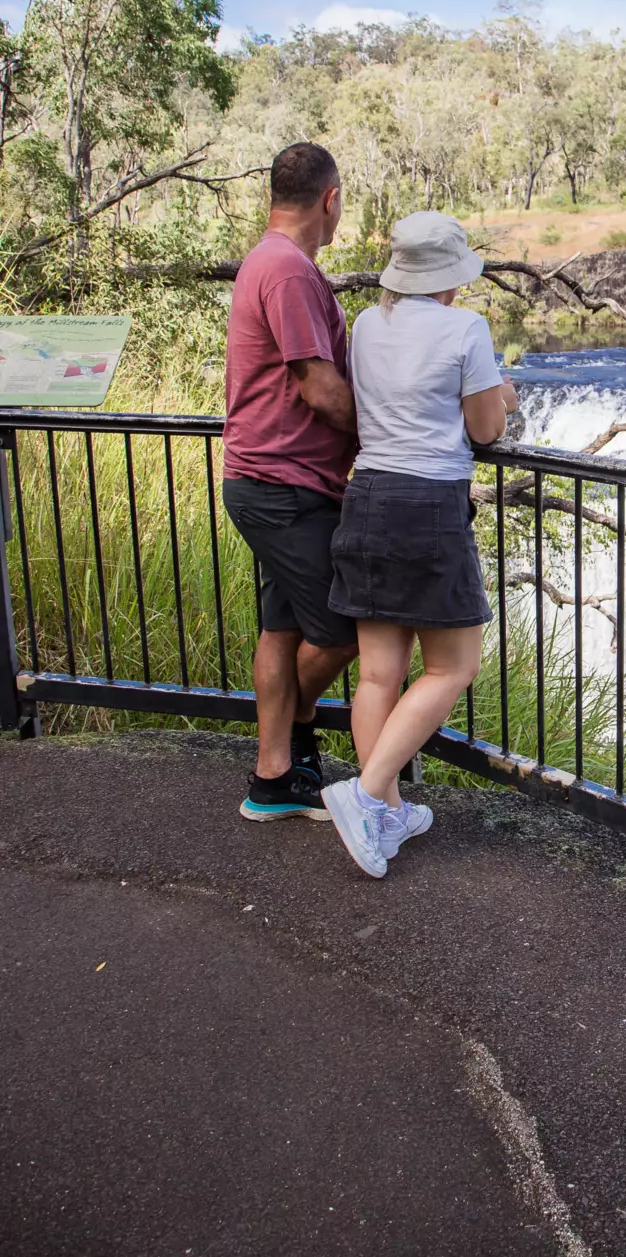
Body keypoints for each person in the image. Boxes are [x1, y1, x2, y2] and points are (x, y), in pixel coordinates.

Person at [320, 211, 517, 878]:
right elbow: (485, 429)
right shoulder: (467, 328)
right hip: (429, 505)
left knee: (379, 673)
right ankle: (367, 795)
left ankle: (387, 813)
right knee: (454, 666)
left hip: (368, 495)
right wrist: (505, 395)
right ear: (450, 276)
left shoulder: (369, 324)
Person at [222, 142, 359, 822]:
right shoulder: (289, 270)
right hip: (283, 484)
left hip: (270, 477)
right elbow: (319, 386)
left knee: (280, 629)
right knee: (340, 628)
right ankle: (294, 741)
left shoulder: (267, 260)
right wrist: (382, 439)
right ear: (329, 199)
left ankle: (275, 774)